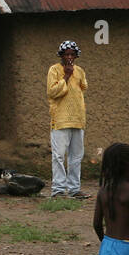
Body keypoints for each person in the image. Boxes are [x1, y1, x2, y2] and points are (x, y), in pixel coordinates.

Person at [47, 40, 88, 198]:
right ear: (61, 56)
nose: (69, 57)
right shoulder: (54, 70)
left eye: (72, 54)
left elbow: (83, 87)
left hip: (78, 118)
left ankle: (74, 189)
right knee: (58, 156)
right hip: (60, 119)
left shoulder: (80, 71)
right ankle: (58, 190)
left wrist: (73, 74)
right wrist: (67, 75)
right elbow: (52, 92)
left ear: (76, 56)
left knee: (76, 156)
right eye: (66, 54)